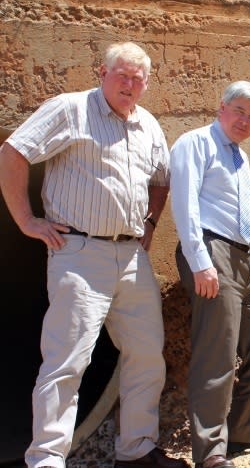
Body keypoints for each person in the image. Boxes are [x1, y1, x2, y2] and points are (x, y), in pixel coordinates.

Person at [0, 42, 187, 468]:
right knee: (68, 358)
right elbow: (13, 152)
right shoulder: (70, 110)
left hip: (131, 255)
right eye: (122, 74)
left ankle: (136, 450)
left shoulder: (149, 126)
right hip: (79, 251)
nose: (129, 84)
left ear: (147, 83)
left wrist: (151, 225)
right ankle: (46, 459)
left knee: (145, 354)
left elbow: (161, 179)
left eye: (138, 78)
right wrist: (27, 221)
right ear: (101, 72)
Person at [170, 81, 250, 468]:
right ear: (221, 107)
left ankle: (243, 432)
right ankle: (210, 451)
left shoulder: (240, 158)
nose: (246, 121)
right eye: (240, 111)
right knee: (216, 351)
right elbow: (185, 205)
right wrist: (200, 260)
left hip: (242, 260)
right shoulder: (196, 143)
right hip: (211, 251)